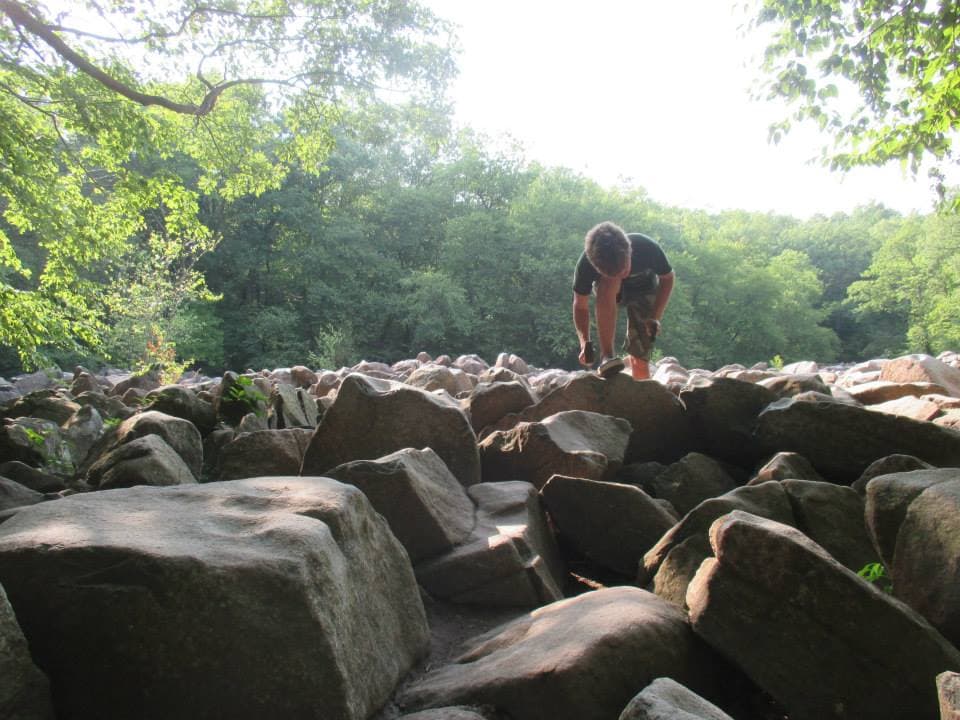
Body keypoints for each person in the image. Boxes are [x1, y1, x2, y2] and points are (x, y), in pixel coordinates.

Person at [572, 221, 675, 380]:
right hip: (611, 294)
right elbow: (580, 306)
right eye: (616, 272)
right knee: (609, 282)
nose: (623, 275)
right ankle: (607, 356)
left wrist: (655, 317)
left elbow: (667, 278)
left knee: (640, 355)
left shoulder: (646, 247)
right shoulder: (586, 265)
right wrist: (584, 342)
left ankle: (642, 387)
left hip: (644, 289)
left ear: (630, 250)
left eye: (624, 268)